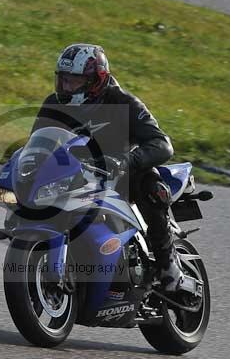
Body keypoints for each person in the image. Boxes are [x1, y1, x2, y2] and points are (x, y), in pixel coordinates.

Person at [31, 43, 198, 296]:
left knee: (150, 184)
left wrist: (126, 162)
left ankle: (168, 268)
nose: (66, 87)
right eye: (63, 80)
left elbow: (162, 144)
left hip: (120, 177)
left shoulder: (123, 102)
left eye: (74, 82)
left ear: (95, 81)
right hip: (75, 175)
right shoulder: (54, 104)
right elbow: (38, 143)